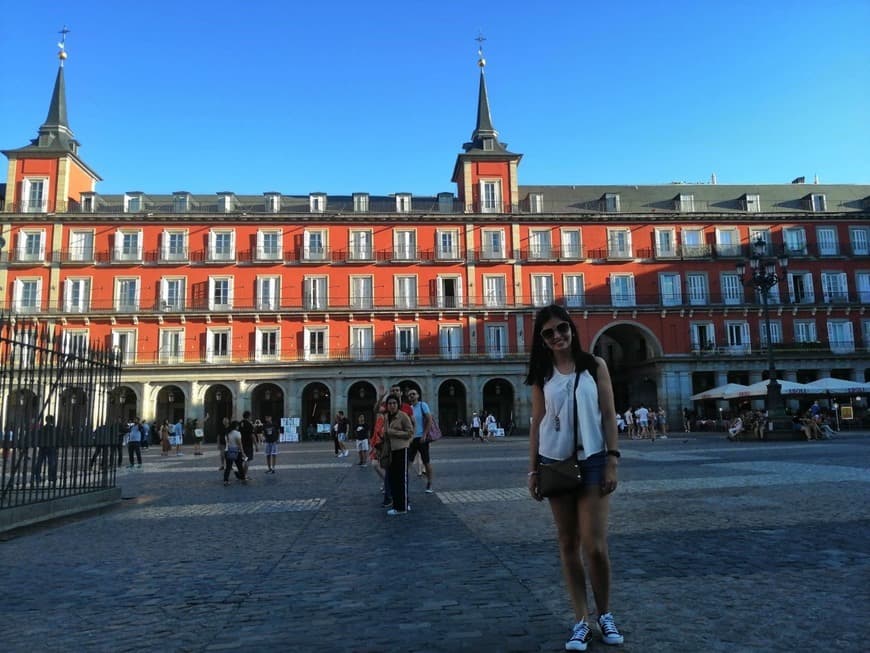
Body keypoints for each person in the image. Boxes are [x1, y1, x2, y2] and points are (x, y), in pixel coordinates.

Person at [525, 304, 624, 651]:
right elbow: (536, 422)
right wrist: (533, 468)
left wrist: (613, 460)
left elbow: (609, 415)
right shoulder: (542, 372)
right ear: (542, 339)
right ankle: (581, 619)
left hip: (595, 459)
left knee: (594, 546)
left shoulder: (595, 365)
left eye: (562, 328)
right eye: (548, 332)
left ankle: (605, 614)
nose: (557, 336)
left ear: (571, 328)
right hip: (554, 462)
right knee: (568, 543)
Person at [383, 395, 414, 515]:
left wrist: (393, 432)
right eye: (390, 403)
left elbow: (410, 432)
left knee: (401, 478)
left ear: (398, 404)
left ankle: (404, 507)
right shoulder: (387, 417)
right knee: (393, 479)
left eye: (394, 403)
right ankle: (397, 506)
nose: (392, 405)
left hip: (401, 449)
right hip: (391, 450)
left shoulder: (403, 416)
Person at [406, 388, 435, 494]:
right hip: (412, 439)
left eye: (413, 394)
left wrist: (425, 434)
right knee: (408, 462)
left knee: (426, 461)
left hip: (422, 438)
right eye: (409, 395)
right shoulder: (409, 408)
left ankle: (430, 483)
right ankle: (404, 482)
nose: (412, 396)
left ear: (418, 395)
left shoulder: (423, 405)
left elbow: (429, 419)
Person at [32, 415, 59, 484]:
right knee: (49, 463)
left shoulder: (43, 428)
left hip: (45, 447)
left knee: (41, 463)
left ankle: (40, 476)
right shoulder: (53, 429)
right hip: (48, 447)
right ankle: (50, 476)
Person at [223, 420, 247, 486]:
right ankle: (243, 479)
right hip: (236, 451)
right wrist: (243, 453)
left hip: (228, 450)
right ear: (236, 426)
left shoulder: (227, 433)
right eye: (238, 426)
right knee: (239, 466)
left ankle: (225, 480)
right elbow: (240, 444)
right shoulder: (237, 433)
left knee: (228, 467)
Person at [240, 411, 256, 478]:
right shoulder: (249, 424)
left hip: (240, 444)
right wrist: (256, 445)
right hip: (248, 445)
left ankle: (241, 474)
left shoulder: (239, 423)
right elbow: (252, 435)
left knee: (241, 460)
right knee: (247, 460)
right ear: (249, 416)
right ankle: (244, 475)